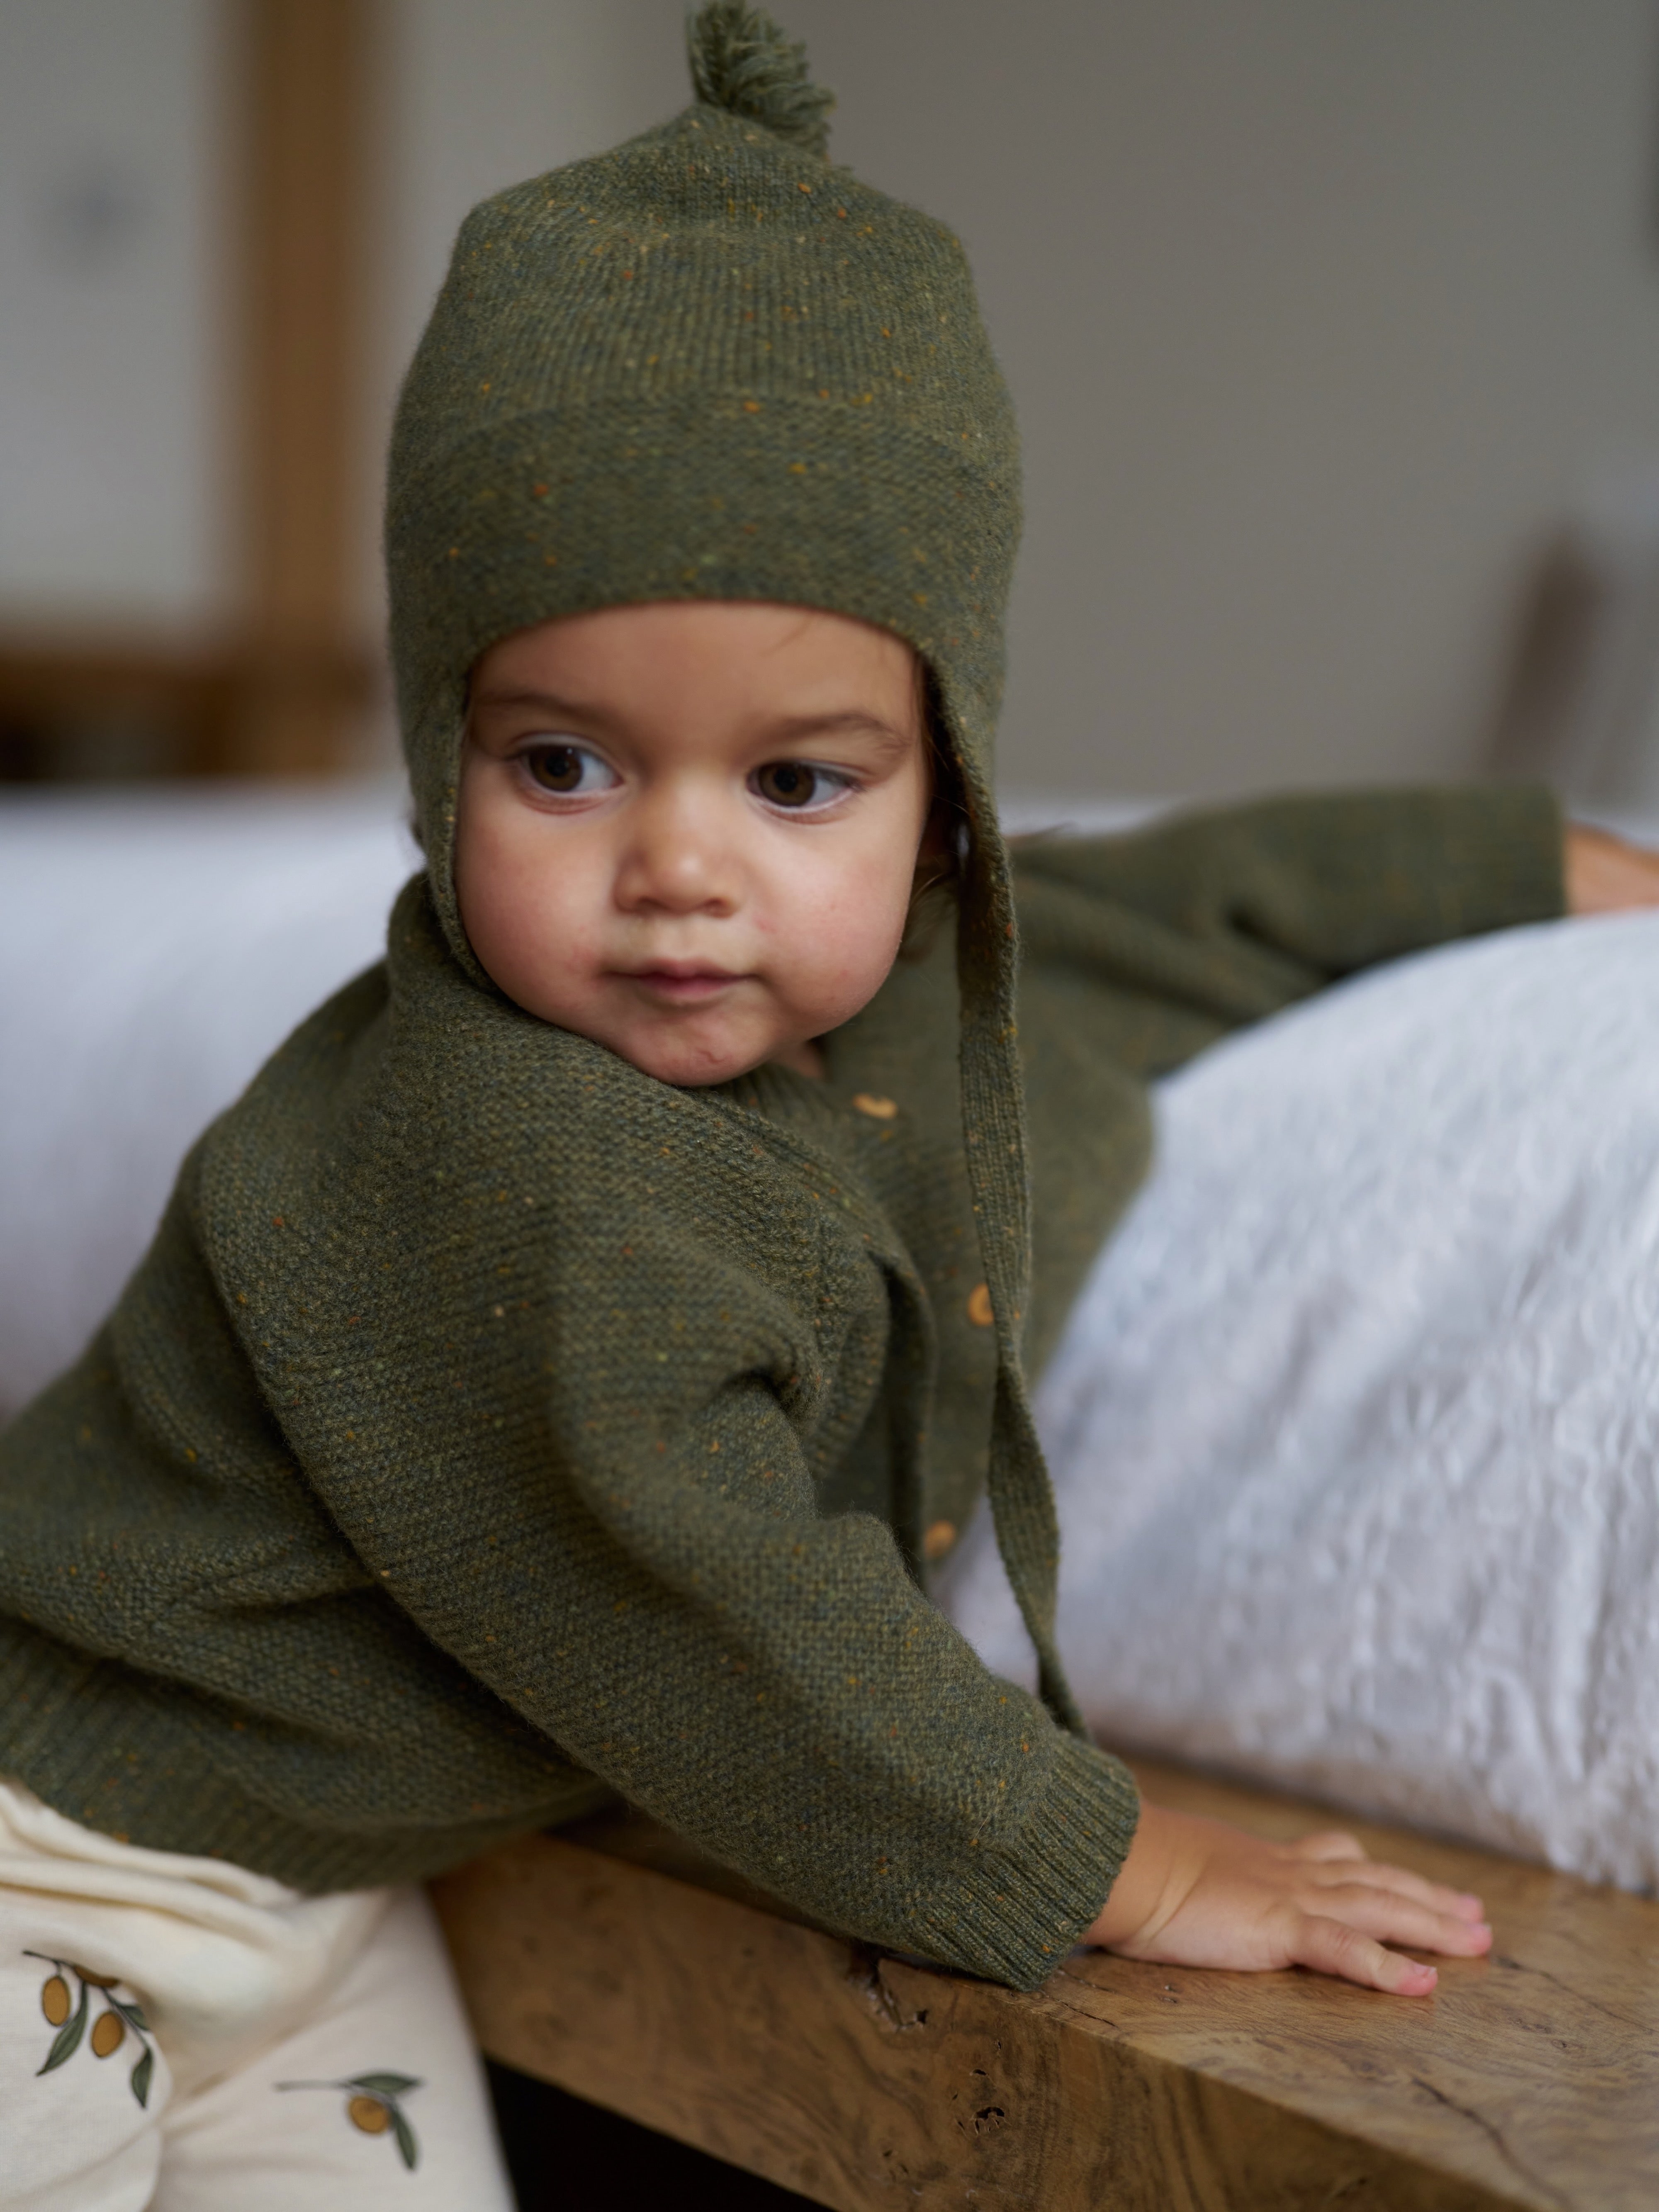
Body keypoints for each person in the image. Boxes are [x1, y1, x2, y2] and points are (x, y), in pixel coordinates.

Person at [2, 8, 1656, 2202]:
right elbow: (735, 1634)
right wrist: (1127, 1864)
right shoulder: (501, 1160)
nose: (680, 866)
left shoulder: (902, 1021)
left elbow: (1133, 917)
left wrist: (1499, 864)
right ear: (438, 757)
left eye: (797, 779)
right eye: (563, 763)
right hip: (63, 1858)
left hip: (317, 1909)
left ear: (938, 784)